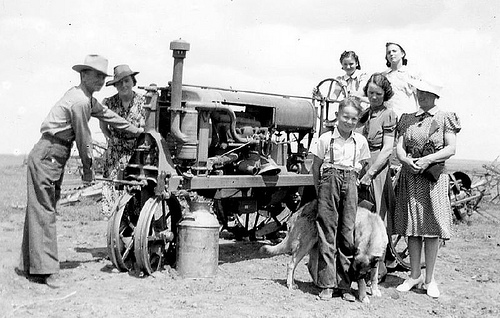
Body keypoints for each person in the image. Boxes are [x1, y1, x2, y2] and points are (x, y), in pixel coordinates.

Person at [18, 55, 144, 288]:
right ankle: (46, 271)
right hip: (49, 152)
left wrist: (136, 130)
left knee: (41, 208)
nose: (99, 80)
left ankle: (31, 266)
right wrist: (88, 169)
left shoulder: (85, 98)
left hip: (54, 154)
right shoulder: (80, 102)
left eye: (102, 77)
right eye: (96, 75)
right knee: (44, 210)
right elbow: (84, 136)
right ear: (83, 75)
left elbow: (108, 115)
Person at [393, 77, 460, 298]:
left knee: (431, 230)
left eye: (425, 93)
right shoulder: (407, 119)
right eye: (418, 93)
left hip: (432, 179)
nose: (420, 97)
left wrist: (428, 159)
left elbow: (451, 149)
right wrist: (406, 160)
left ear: (435, 96)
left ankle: (430, 279)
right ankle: (414, 275)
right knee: (413, 228)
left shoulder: (444, 118)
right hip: (411, 176)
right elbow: (400, 148)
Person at [309, 98, 370, 301]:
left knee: (347, 234)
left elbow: (365, 166)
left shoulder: (360, 142)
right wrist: (321, 190)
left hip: (351, 182)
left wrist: (355, 183)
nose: (349, 121)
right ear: (337, 115)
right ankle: (326, 284)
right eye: (346, 116)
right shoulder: (325, 139)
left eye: (354, 118)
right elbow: (315, 167)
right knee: (327, 232)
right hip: (329, 182)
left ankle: (345, 285)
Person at [357, 73, 397, 280]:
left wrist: (371, 173)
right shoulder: (364, 114)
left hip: (377, 170)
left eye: (378, 94)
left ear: (385, 94)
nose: (374, 97)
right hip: (360, 166)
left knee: (378, 219)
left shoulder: (388, 114)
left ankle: (378, 269)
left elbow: (388, 148)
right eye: (371, 93)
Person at [100, 65, 146, 217]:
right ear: (115, 86)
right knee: (113, 193)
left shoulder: (143, 102)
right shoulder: (108, 103)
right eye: (119, 83)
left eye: (126, 81)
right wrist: (115, 141)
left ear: (133, 81)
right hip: (115, 154)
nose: (123, 85)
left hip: (137, 154)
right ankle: (114, 232)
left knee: (135, 195)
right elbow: (104, 127)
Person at [382, 42, 419, 118]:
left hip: (407, 117)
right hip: (388, 119)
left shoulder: (411, 73)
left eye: (394, 51)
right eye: (388, 52)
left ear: (402, 53)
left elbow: (419, 97)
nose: (391, 54)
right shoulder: (383, 76)